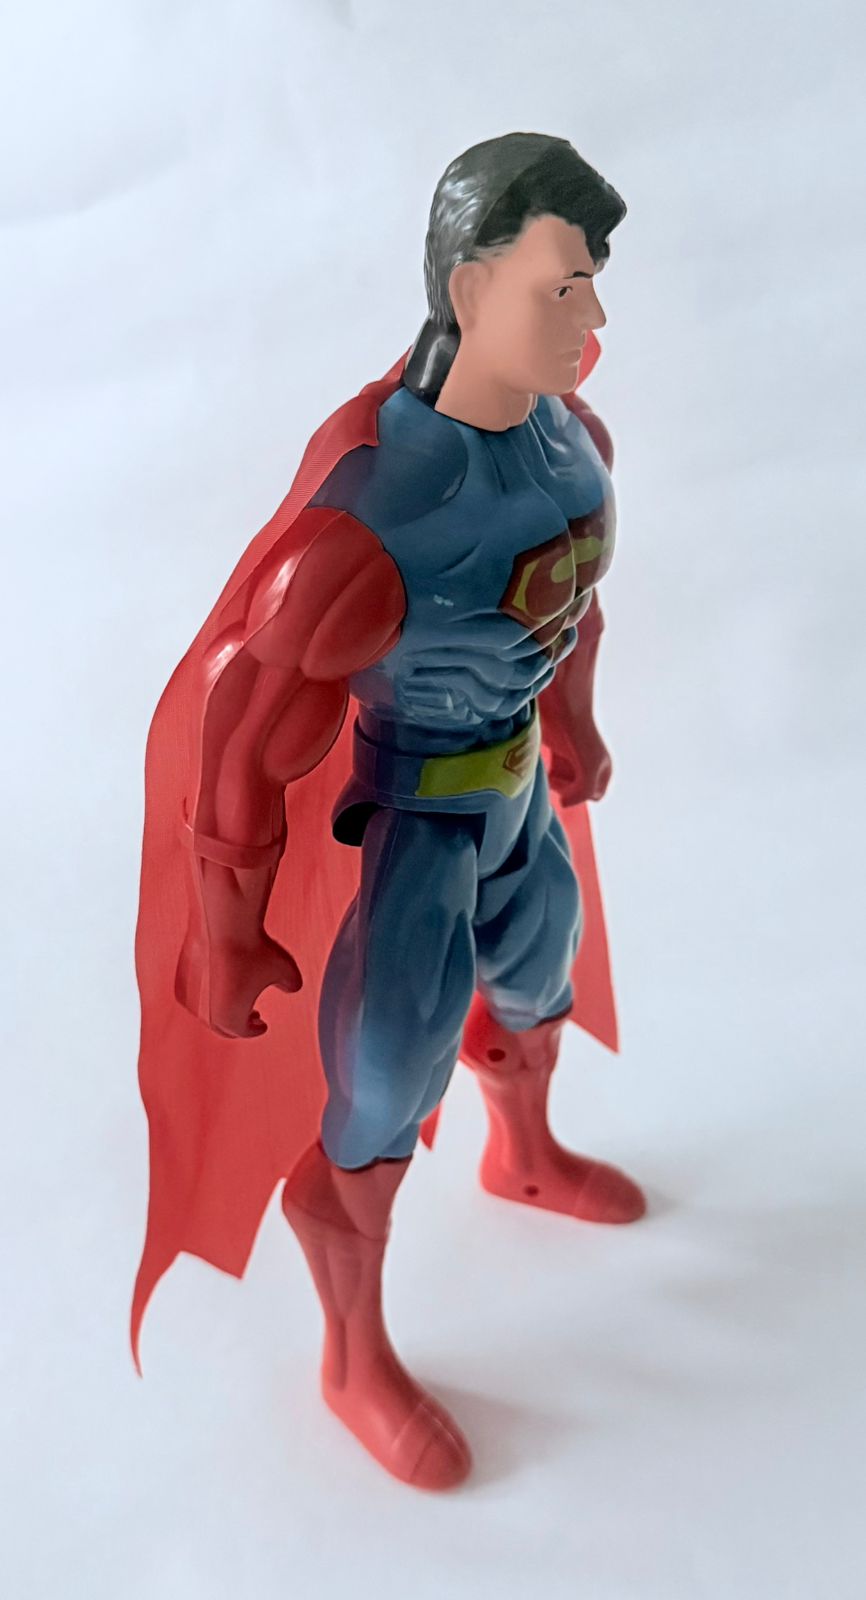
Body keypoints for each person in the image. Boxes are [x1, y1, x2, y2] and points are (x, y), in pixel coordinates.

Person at [133, 132, 645, 1493]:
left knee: (539, 973)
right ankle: (352, 1355)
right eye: (562, 287)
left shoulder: (574, 444)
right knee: (381, 1083)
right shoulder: (372, 519)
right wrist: (227, 929)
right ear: (472, 289)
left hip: (518, 792)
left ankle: (523, 1155)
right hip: (414, 823)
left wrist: (575, 720)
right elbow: (248, 733)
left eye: (591, 283)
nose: (591, 317)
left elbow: (573, 604)